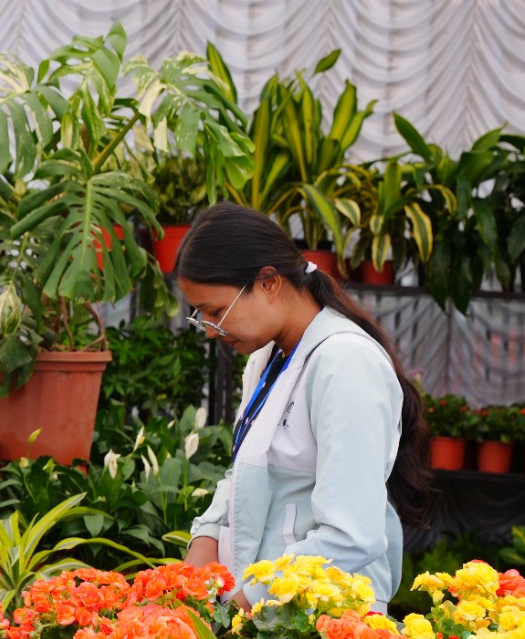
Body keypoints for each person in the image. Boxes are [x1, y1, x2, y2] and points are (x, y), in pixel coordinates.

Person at [178, 202, 430, 610]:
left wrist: (246, 602)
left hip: (323, 621)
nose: (211, 330)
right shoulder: (268, 357)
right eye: (202, 316)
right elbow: (247, 470)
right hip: (270, 616)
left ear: (268, 283)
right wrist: (205, 537)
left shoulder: (344, 363)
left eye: (216, 312)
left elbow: (351, 535)